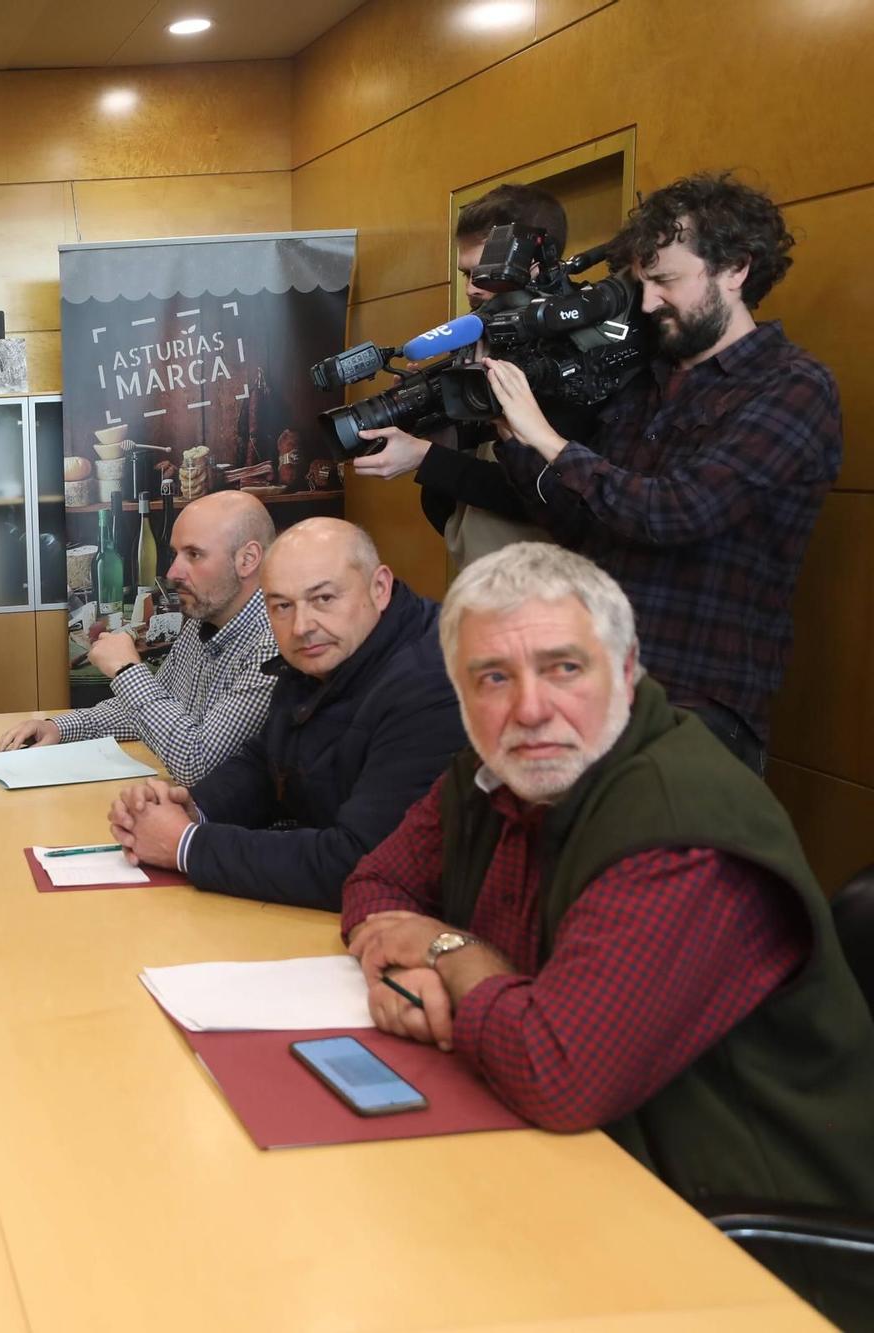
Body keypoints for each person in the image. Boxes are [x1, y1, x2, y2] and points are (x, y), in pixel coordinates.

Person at [341, 542, 874, 1327]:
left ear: (626, 674)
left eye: (564, 668)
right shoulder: (494, 772)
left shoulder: (681, 823)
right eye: (493, 677)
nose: (529, 708)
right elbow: (375, 889)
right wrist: (418, 971)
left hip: (743, 1239)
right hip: (572, 1167)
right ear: (458, 693)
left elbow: (556, 1069)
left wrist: (449, 954)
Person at [488, 172, 841, 771]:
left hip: (694, 711)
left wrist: (546, 439)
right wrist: (512, 436)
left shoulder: (793, 387)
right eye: (643, 283)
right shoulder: (644, 382)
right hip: (595, 692)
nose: (648, 303)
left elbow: (676, 511)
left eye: (666, 281)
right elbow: (584, 529)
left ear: (735, 271)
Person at [108, 518, 465, 909]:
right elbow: (269, 761)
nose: (301, 626)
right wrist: (193, 808)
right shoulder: (333, 649)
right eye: (281, 606)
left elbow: (365, 861)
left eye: (324, 599)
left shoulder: (432, 682)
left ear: (379, 588)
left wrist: (186, 845)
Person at [349, 182, 583, 566]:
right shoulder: (478, 337)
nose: (472, 289)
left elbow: (551, 496)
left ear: (534, 263)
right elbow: (452, 502)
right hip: (484, 578)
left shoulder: (578, 352)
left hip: (552, 591)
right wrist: (436, 422)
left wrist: (428, 459)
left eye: (484, 274)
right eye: (465, 275)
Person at [0, 491, 278, 786]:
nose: (172, 572)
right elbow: (146, 711)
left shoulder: (272, 645)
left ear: (248, 559)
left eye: (194, 554)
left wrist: (127, 670)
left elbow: (199, 766)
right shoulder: (203, 619)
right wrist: (58, 727)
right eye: (175, 554)